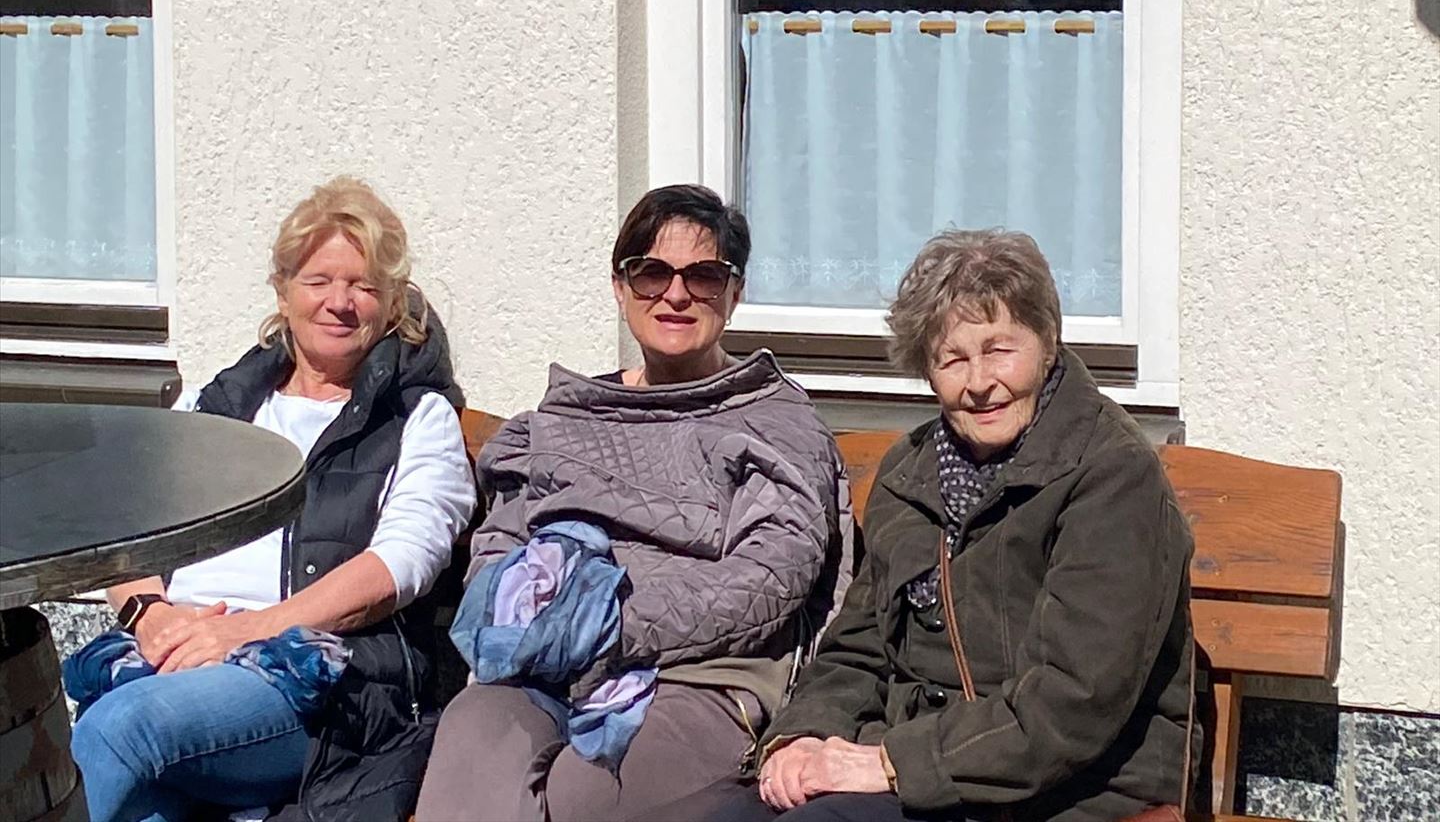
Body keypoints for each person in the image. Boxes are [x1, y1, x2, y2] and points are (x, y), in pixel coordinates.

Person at [661, 229, 1196, 822]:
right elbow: (858, 647)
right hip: (919, 770)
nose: (979, 382)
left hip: (1067, 790)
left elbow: (1073, 699)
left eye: (999, 350)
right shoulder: (911, 473)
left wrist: (891, 763)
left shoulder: (1112, 476)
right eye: (953, 359)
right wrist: (804, 736)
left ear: (1047, 344)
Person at [416, 184, 843, 822]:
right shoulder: (560, 422)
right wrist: (524, 619)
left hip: (698, 678)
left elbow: (771, 578)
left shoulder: (775, 423)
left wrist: (607, 627)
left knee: (581, 799)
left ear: (734, 293)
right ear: (620, 288)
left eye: (703, 276)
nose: (676, 294)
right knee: (473, 752)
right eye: (651, 273)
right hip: (541, 671)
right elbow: (498, 548)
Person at [70, 176, 476, 822]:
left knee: (124, 728)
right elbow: (128, 528)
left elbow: (401, 564)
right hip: (178, 661)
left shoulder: (416, 418)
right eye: (319, 281)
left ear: (390, 303)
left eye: (363, 286)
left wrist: (242, 632)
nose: (339, 302)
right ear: (283, 291)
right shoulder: (219, 405)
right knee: (143, 800)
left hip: (319, 685)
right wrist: (153, 617)